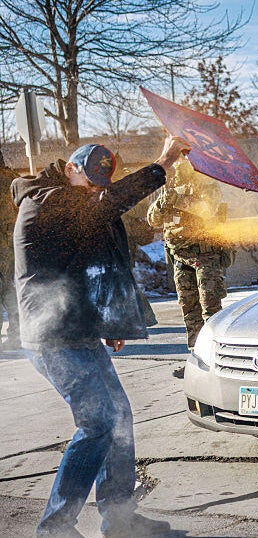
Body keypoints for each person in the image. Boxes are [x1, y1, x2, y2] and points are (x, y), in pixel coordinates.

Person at [14, 136, 190, 537]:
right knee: (98, 424)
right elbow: (106, 207)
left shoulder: (71, 202)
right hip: (53, 336)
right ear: (71, 168)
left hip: (77, 331)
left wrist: (108, 320)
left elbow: (89, 262)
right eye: (89, 182)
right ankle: (55, 527)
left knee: (119, 418)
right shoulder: (45, 200)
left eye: (100, 187)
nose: (95, 192)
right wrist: (162, 164)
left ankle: (119, 517)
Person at [147, 159, 230, 355]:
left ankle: (217, 356)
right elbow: (152, 220)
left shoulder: (206, 184)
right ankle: (197, 357)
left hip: (204, 256)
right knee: (189, 310)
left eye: (180, 170)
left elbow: (207, 210)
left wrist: (178, 199)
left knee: (210, 309)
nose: (176, 175)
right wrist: (164, 202)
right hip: (180, 256)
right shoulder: (171, 189)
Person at [0, 153, 19, 350]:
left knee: (5, 288)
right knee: (10, 286)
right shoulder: (14, 178)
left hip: (2, 243)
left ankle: (17, 334)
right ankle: (18, 332)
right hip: (16, 239)